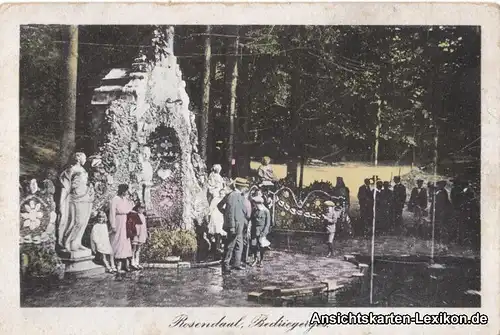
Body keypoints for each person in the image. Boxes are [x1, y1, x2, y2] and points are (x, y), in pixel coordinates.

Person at [218, 177, 251, 274]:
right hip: (234, 225)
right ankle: (226, 265)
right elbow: (230, 211)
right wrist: (230, 222)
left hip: (240, 225)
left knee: (239, 245)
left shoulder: (240, 196)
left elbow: (243, 210)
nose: (246, 189)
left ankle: (236, 263)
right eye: (245, 187)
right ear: (241, 187)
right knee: (230, 245)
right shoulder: (232, 195)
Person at [109, 184, 135, 273]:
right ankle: (116, 263)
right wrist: (113, 224)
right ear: (122, 191)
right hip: (118, 220)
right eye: (126, 191)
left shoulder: (125, 199)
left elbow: (129, 209)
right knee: (117, 240)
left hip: (125, 220)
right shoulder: (115, 199)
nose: (127, 192)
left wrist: (131, 202)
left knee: (125, 240)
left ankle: (125, 263)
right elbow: (112, 212)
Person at [249, 195, 271, 267]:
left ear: (260, 204)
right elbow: (251, 220)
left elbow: (267, 224)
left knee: (261, 246)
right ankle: (255, 259)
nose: (255, 206)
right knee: (254, 245)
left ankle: (261, 260)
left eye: (256, 204)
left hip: (262, 231)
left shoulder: (266, 211)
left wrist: (264, 233)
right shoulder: (255, 210)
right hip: (254, 231)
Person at [208, 189, 227, 257]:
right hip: (216, 218)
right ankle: (216, 251)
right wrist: (210, 216)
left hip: (222, 218)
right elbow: (211, 208)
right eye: (221, 193)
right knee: (217, 234)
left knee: (223, 235)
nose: (222, 195)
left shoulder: (226, 200)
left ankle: (222, 250)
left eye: (223, 194)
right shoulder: (216, 199)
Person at [130, 203, 148, 270]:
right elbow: (133, 225)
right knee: (133, 249)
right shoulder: (135, 215)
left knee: (138, 249)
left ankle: (137, 262)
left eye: (143, 208)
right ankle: (132, 262)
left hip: (142, 233)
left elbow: (144, 226)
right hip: (136, 233)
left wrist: (145, 234)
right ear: (137, 208)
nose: (141, 209)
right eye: (140, 208)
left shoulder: (143, 216)